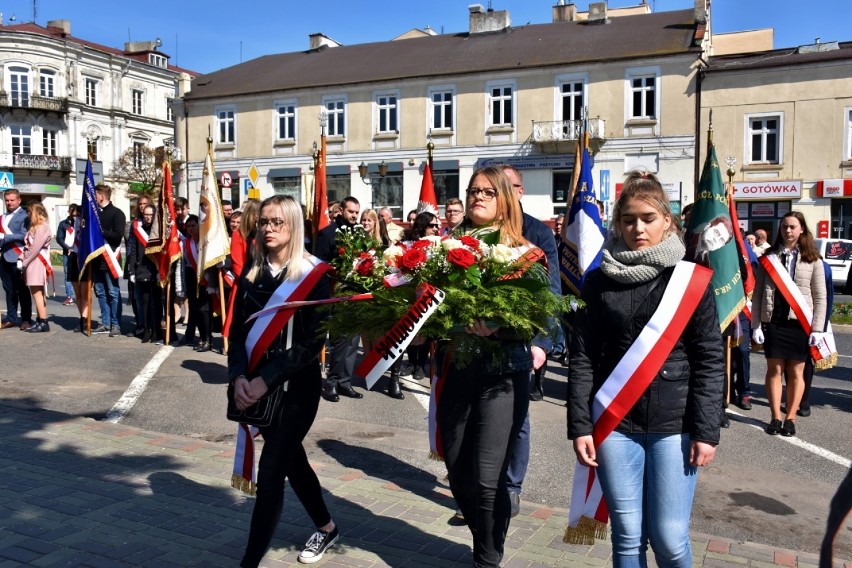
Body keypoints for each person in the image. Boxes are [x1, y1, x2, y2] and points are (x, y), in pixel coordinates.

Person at [568, 170, 723, 567]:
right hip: (616, 426)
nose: (638, 227)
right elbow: (583, 355)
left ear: (667, 220)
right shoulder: (599, 280)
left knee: (670, 540)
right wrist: (581, 425)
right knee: (627, 537)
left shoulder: (690, 279)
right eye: (629, 219)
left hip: (676, 427)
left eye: (648, 218)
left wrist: (706, 432)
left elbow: (709, 358)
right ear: (617, 222)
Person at [229, 195, 339, 567]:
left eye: (278, 222)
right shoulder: (250, 272)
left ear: (294, 227)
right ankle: (326, 527)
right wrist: (239, 377)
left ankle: (248, 561)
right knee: (293, 461)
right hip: (257, 389)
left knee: (272, 469)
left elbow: (312, 344)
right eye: (263, 222)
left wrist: (265, 380)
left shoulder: (315, 275)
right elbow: (236, 336)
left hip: (296, 390)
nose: (269, 228)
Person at [436, 166, 537, 567]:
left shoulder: (525, 252)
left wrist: (500, 326)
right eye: (473, 191)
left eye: (487, 192)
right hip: (459, 369)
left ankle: (488, 557)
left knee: (486, 477)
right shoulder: (444, 250)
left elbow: (538, 317)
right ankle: (484, 539)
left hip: (502, 375)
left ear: (504, 200)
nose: (477, 197)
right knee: (458, 470)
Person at [499, 164, 560, 520]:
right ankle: (480, 488)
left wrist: (542, 341)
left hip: (522, 340)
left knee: (517, 419)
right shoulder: (478, 229)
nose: (502, 192)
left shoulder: (538, 232)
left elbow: (552, 291)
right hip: (478, 340)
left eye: (509, 186)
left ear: (520, 191)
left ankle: (511, 488)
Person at [751, 211, 827, 437]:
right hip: (774, 322)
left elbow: (820, 296)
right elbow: (757, 295)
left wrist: (818, 329)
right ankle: (775, 416)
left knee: (796, 372)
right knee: (774, 370)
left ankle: (790, 417)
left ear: (802, 229)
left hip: (799, 324)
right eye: (784, 226)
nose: (788, 230)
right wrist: (756, 324)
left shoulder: (813, 259)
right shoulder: (769, 257)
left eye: (793, 226)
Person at [314, 196, 364, 401]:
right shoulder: (327, 234)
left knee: (353, 341)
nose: (354, 215)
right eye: (350, 211)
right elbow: (320, 265)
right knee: (340, 341)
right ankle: (331, 383)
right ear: (341, 210)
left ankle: (345, 382)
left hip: (356, 293)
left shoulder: (360, 233)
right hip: (335, 294)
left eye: (356, 212)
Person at [92, 185, 126, 337]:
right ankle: (105, 323)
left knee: (113, 292)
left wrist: (101, 232)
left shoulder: (117, 213)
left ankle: (115, 324)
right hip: (96, 259)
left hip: (110, 258)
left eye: (95, 195)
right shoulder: (94, 214)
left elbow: (117, 236)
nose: (93, 198)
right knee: (100, 292)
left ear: (101, 196)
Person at [127, 204, 162, 343]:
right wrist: (132, 270)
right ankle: (146, 331)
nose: (148, 217)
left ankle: (156, 330)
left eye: (151, 214)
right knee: (145, 303)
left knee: (156, 303)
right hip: (142, 269)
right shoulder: (138, 230)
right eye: (146, 214)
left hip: (155, 270)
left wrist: (161, 270)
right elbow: (133, 251)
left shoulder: (159, 231)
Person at [0, 188, 33, 329]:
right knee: (9, 290)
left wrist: (5, 237)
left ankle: (26, 319)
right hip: (4, 257)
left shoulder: (25, 216)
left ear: (19, 200)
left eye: (12, 200)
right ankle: (12, 317)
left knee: (22, 290)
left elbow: (23, 235)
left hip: (18, 257)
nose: (9, 202)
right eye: (7, 200)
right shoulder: (2, 217)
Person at [18, 202, 53, 333]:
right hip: (32, 261)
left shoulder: (42, 227)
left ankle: (43, 321)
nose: (28, 215)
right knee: (37, 292)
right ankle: (40, 319)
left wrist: (24, 262)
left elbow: (35, 248)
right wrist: (21, 258)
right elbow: (27, 247)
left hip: (37, 262)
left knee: (37, 292)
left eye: (30, 212)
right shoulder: (35, 227)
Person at [126, 194, 153, 337]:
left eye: (145, 204)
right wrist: (131, 269)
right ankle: (140, 324)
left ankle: (150, 325)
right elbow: (131, 246)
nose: (142, 206)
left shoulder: (154, 222)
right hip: (136, 265)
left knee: (149, 300)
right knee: (137, 298)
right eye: (140, 204)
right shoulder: (134, 224)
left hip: (150, 267)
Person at [56, 204, 78, 306]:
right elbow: (59, 238)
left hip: (79, 252)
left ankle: (80, 295)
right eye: (73, 214)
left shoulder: (81, 223)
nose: (75, 217)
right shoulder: (63, 224)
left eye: (76, 215)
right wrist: (67, 248)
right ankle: (69, 296)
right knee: (67, 275)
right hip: (68, 252)